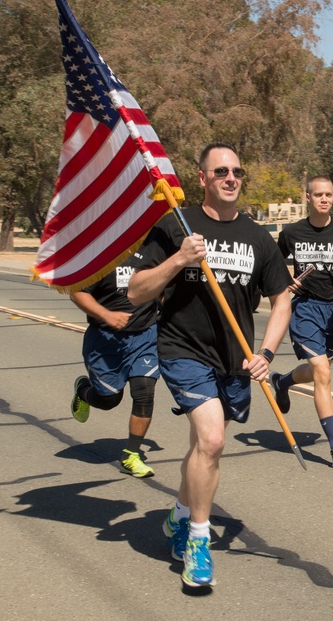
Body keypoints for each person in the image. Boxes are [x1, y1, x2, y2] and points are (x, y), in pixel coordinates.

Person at [128, 141, 291, 588]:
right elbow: (137, 291)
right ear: (201, 178)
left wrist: (267, 354)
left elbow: (282, 302)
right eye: (220, 172)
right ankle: (199, 540)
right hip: (183, 350)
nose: (231, 178)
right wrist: (180, 258)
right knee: (213, 440)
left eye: (237, 171)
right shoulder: (175, 225)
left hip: (234, 360)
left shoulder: (259, 237)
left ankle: (179, 515)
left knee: (202, 446)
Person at [270, 175, 333, 468]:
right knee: (322, 371)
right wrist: (286, 281)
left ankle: (283, 381)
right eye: (319, 195)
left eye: (329, 195)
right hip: (305, 309)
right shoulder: (292, 233)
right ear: (307, 197)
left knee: (320, 371)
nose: (325, 199)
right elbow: (274, 265)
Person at [69, 254, 160, 478]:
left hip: (145, 337)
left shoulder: (154, 253)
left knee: (144, 393)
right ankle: (83, 390)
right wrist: (105, 314)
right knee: (109, 399)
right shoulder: (105, 254)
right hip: (105, 340)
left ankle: (131, 454)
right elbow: (77, 292)